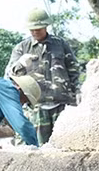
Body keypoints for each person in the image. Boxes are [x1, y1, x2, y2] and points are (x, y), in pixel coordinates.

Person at [5, 8, 80, 144]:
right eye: (32, 29)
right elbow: (9, 75)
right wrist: (20, 64)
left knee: (66, 145)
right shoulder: (22, 48)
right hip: (36, 106)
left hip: (61, 103)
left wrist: (77, 92)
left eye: (38, 29)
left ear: (45, 26)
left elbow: (73, 69)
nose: (35, 32)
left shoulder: (60, 44)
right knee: (37, 147)